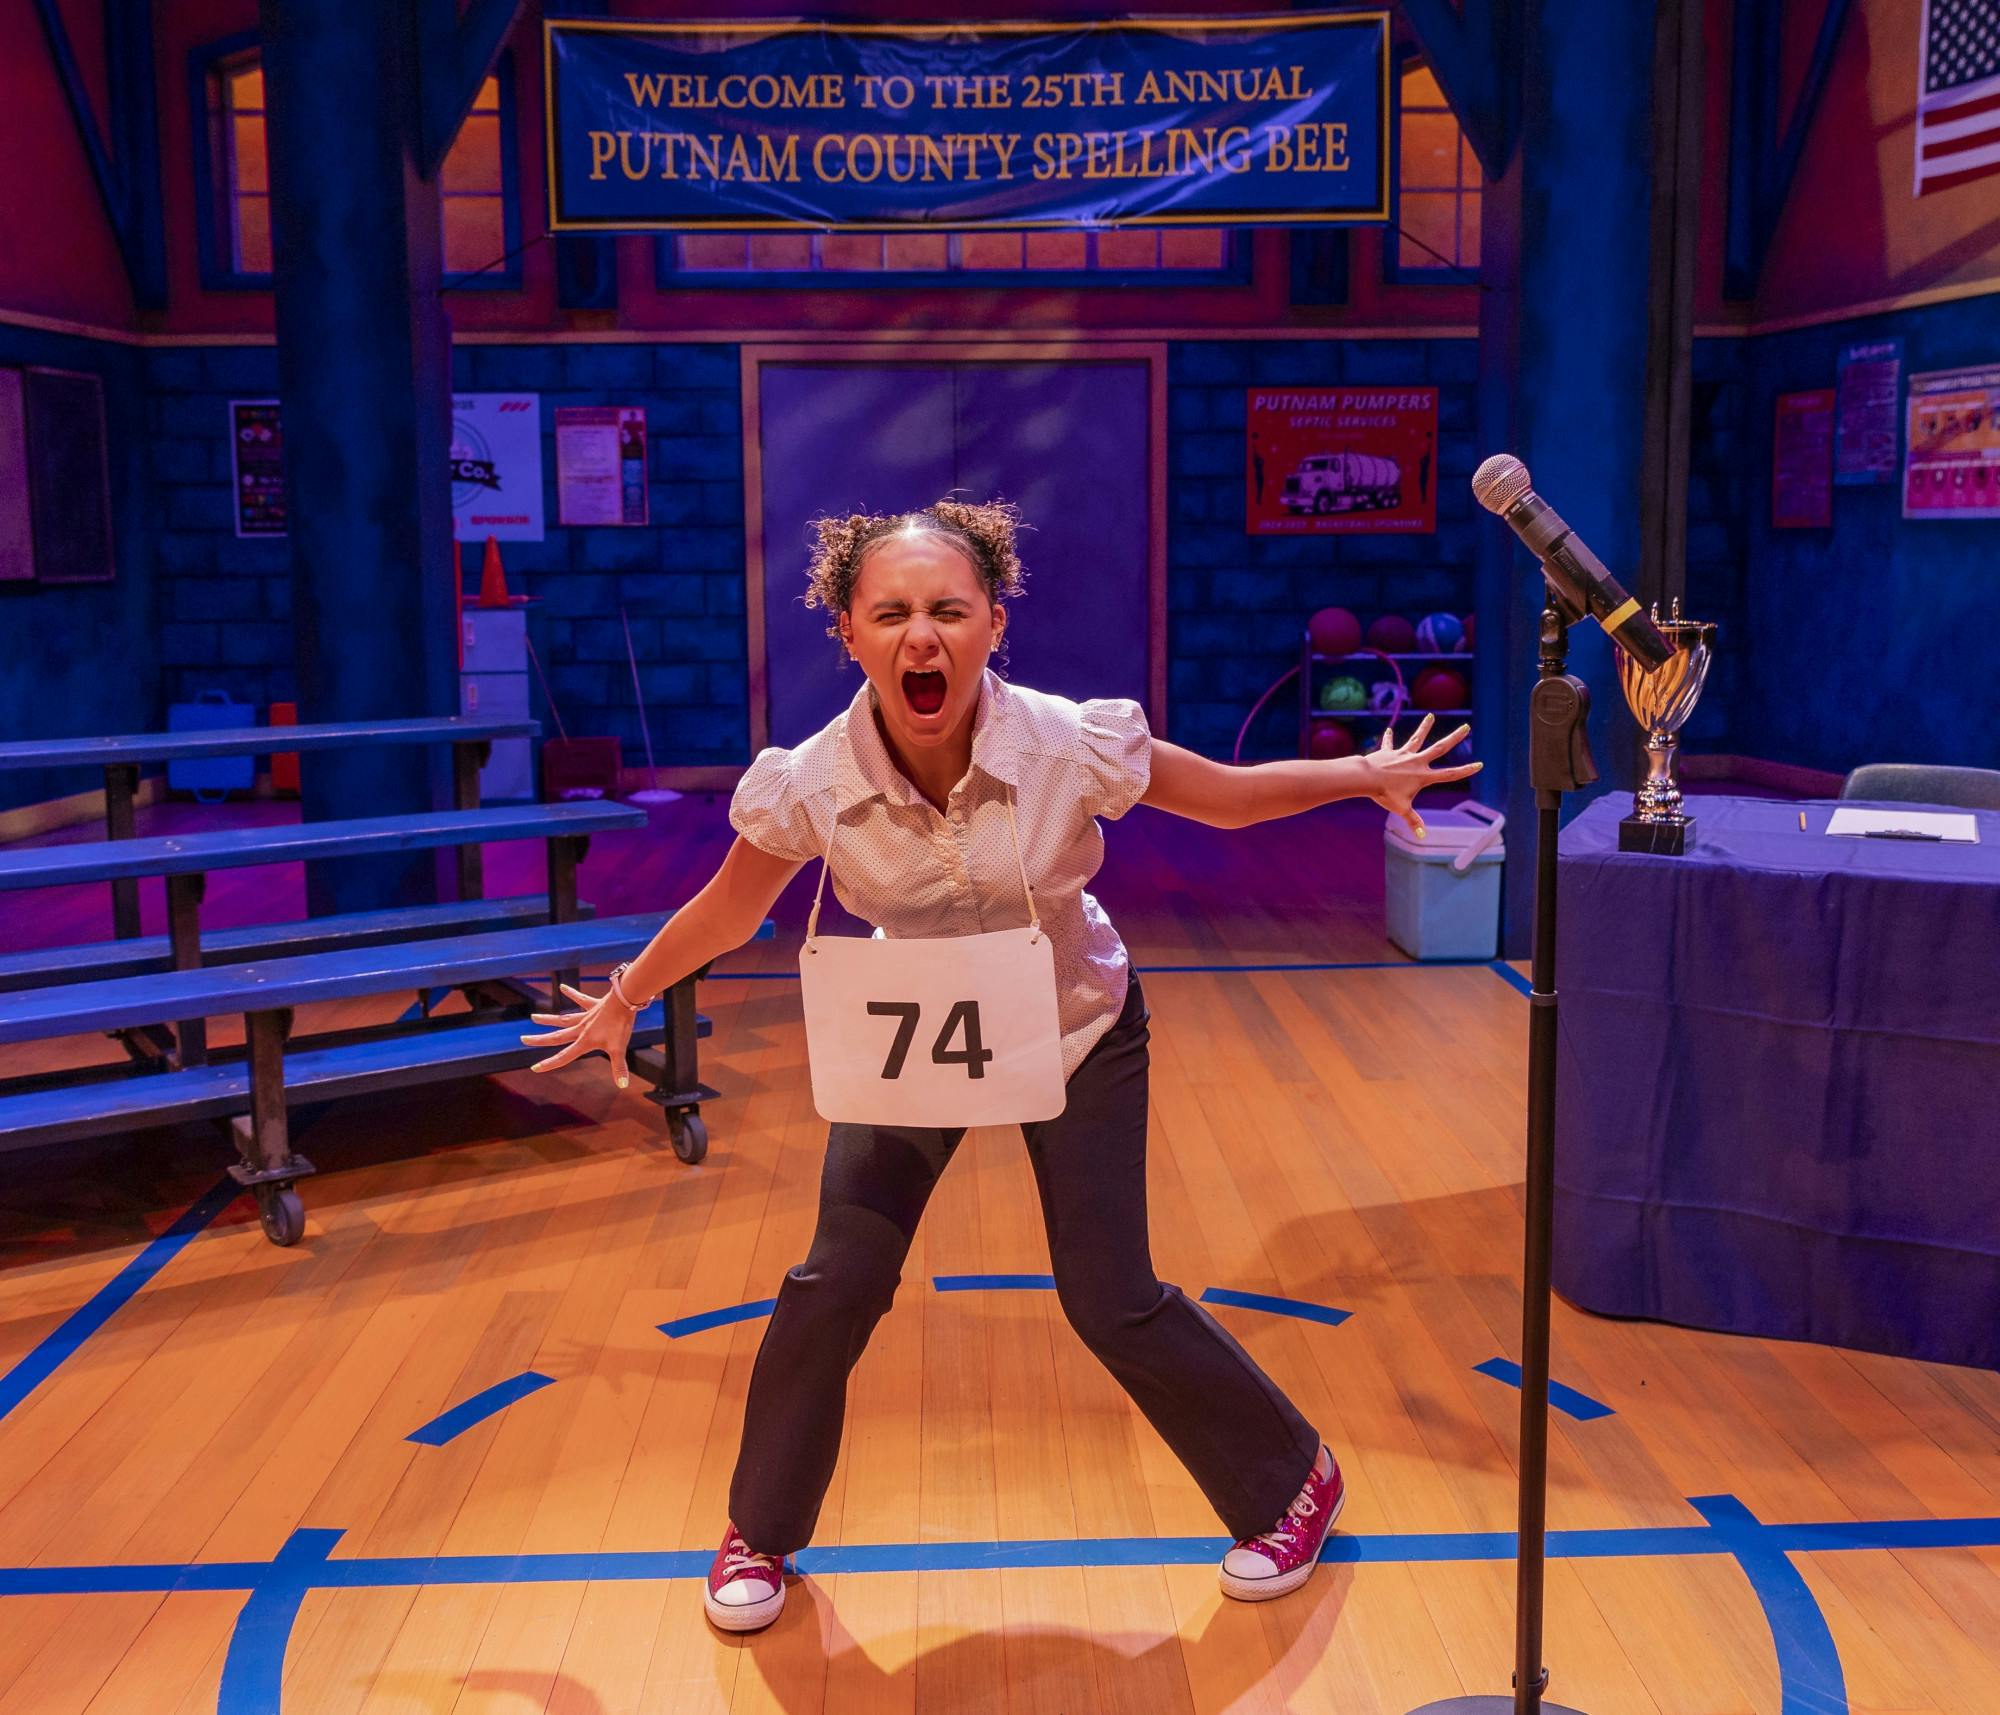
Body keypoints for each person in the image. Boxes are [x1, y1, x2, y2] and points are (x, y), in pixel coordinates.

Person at [521, 499, 1479, 1635]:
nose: (919, 635)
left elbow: (1215, 798)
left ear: (990, 624)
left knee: (1108, 1295)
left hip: (1072, 1024)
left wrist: (1356, 774)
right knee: (835, 1281)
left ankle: (1290, 1480)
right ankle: (759, 1532)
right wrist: (624, 997)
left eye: (946, 609)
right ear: (846, 630)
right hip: (908, 1036)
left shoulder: (1068, 741)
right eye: (889, 612)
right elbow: (729, 906)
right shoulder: (810, 778)